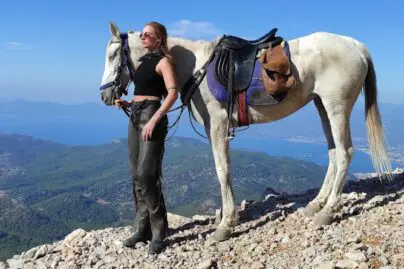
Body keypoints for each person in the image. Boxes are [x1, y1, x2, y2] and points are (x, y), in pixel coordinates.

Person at [114, 21, 179, 255]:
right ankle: (142, 228)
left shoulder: (164, 62)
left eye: (148, 35)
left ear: (159, 38)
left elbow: (172, 93)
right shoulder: (142, 62)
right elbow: (143, 93)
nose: (143, 38)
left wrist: (154, 119)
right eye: (142, 35)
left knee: (147, 174)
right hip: (135, 114)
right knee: (135, 174)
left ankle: (159, 230)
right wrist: (128, 103)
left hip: (152, 114)